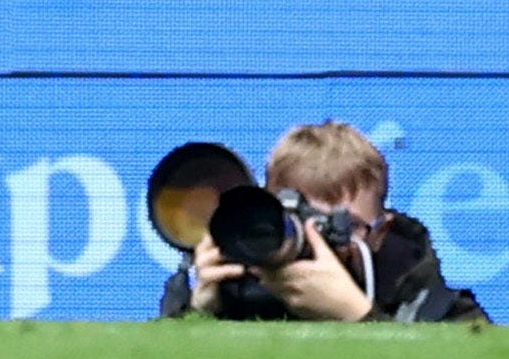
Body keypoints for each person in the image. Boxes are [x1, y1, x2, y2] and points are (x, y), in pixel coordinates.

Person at [160, 121, 489, 322]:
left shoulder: (437, 309)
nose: (317, 240)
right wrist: (200, 311)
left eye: (341, 226)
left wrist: (358, 316)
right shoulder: (233, 289)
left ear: (380, 233)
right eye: (300, 221)